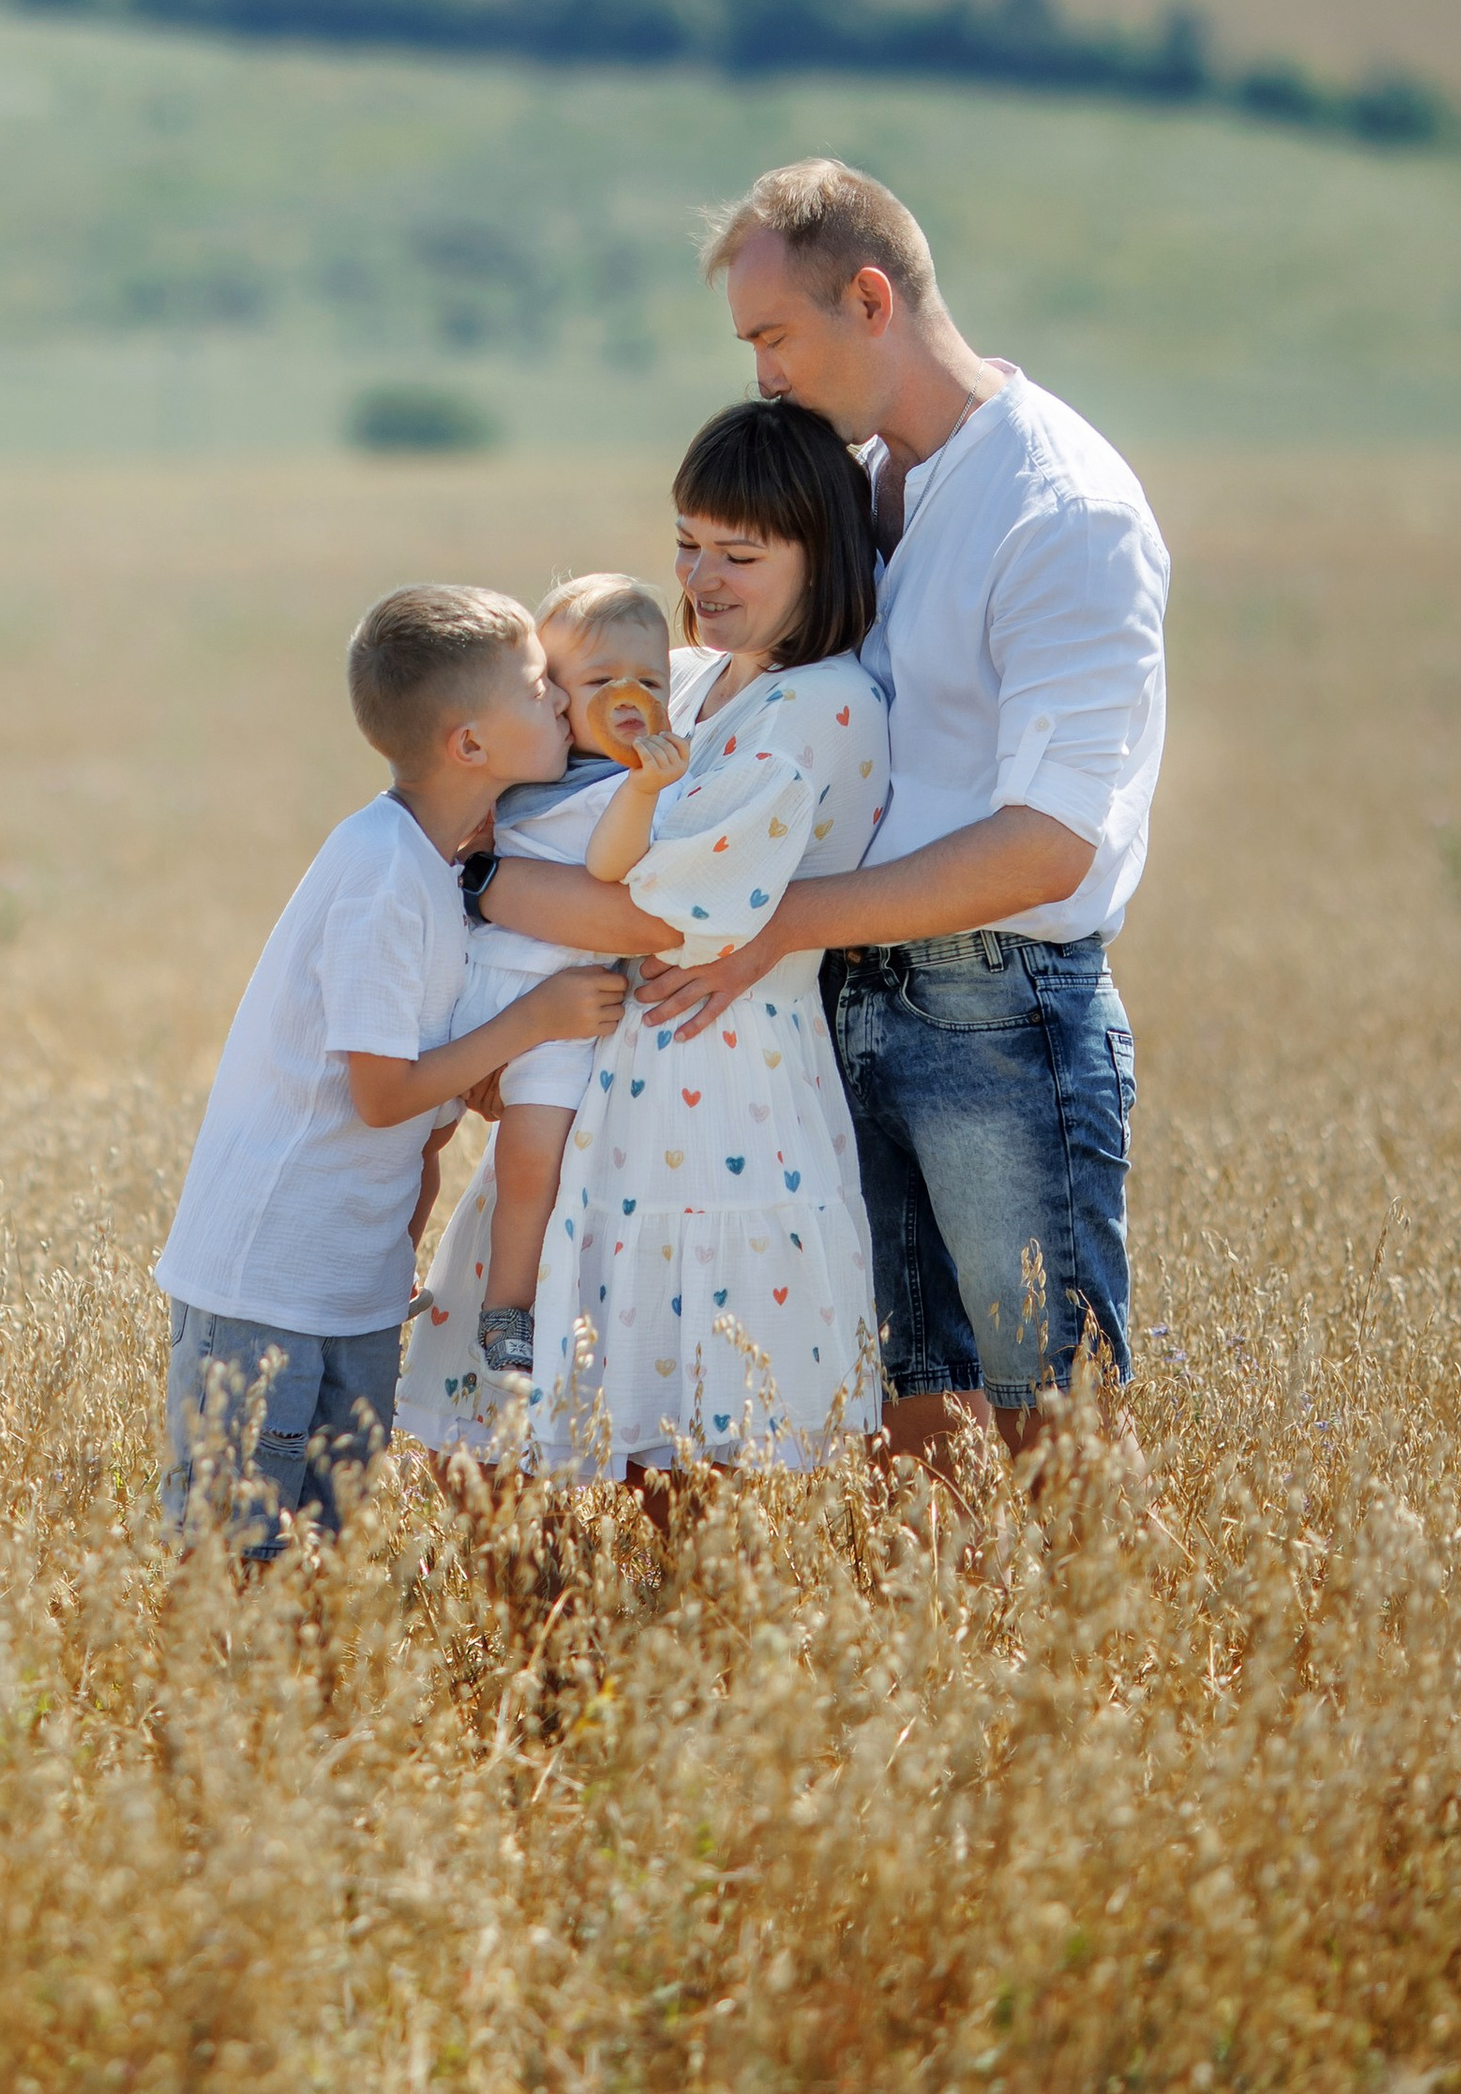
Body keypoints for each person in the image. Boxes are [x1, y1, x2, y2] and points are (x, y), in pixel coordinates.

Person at [578, 160, 1166, 1466]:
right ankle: (939, 1668)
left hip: (1000, 1010)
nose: (761, 377)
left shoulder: (1058, 509)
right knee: (911, 1403)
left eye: (772, 338)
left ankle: (1082, 1664)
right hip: (841, 1003)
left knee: (1051, 1410)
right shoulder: (854, 488)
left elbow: (1049, 842)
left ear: (869, 298)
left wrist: (772, 921)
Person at [397, 403, 887, 1480]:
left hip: (727, 1097)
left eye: (739, 555)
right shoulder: (698, 674)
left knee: (696, 1440)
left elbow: (667, 920)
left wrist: (484, 878)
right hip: (604, 1080)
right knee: (523, 1442)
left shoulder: (826, 706)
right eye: (686, 543)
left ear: (824, 554)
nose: (701, 577)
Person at [155, 584, 628, 1560]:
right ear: (469, 744)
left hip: (353, 1286)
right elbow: (379, 1094)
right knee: (234, 1563)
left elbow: (430, 1070)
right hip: (267, 1284)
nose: (562, 702)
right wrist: (533, 1020)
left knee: (316, 1557)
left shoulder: (439, 863)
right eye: (541, 685)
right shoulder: (380, 875)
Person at [443, 574, 680, 1379]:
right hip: (471, 982)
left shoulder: (633, 786)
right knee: (414, 1133)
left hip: (567, 1007)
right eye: (599, 681)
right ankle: (380, 1269)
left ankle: (507, 1307)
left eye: (651, 682)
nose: (629, 697)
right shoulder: (525, 766)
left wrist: (646, 788)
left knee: (532, 1156)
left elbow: (615, 863)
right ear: (551, 696)